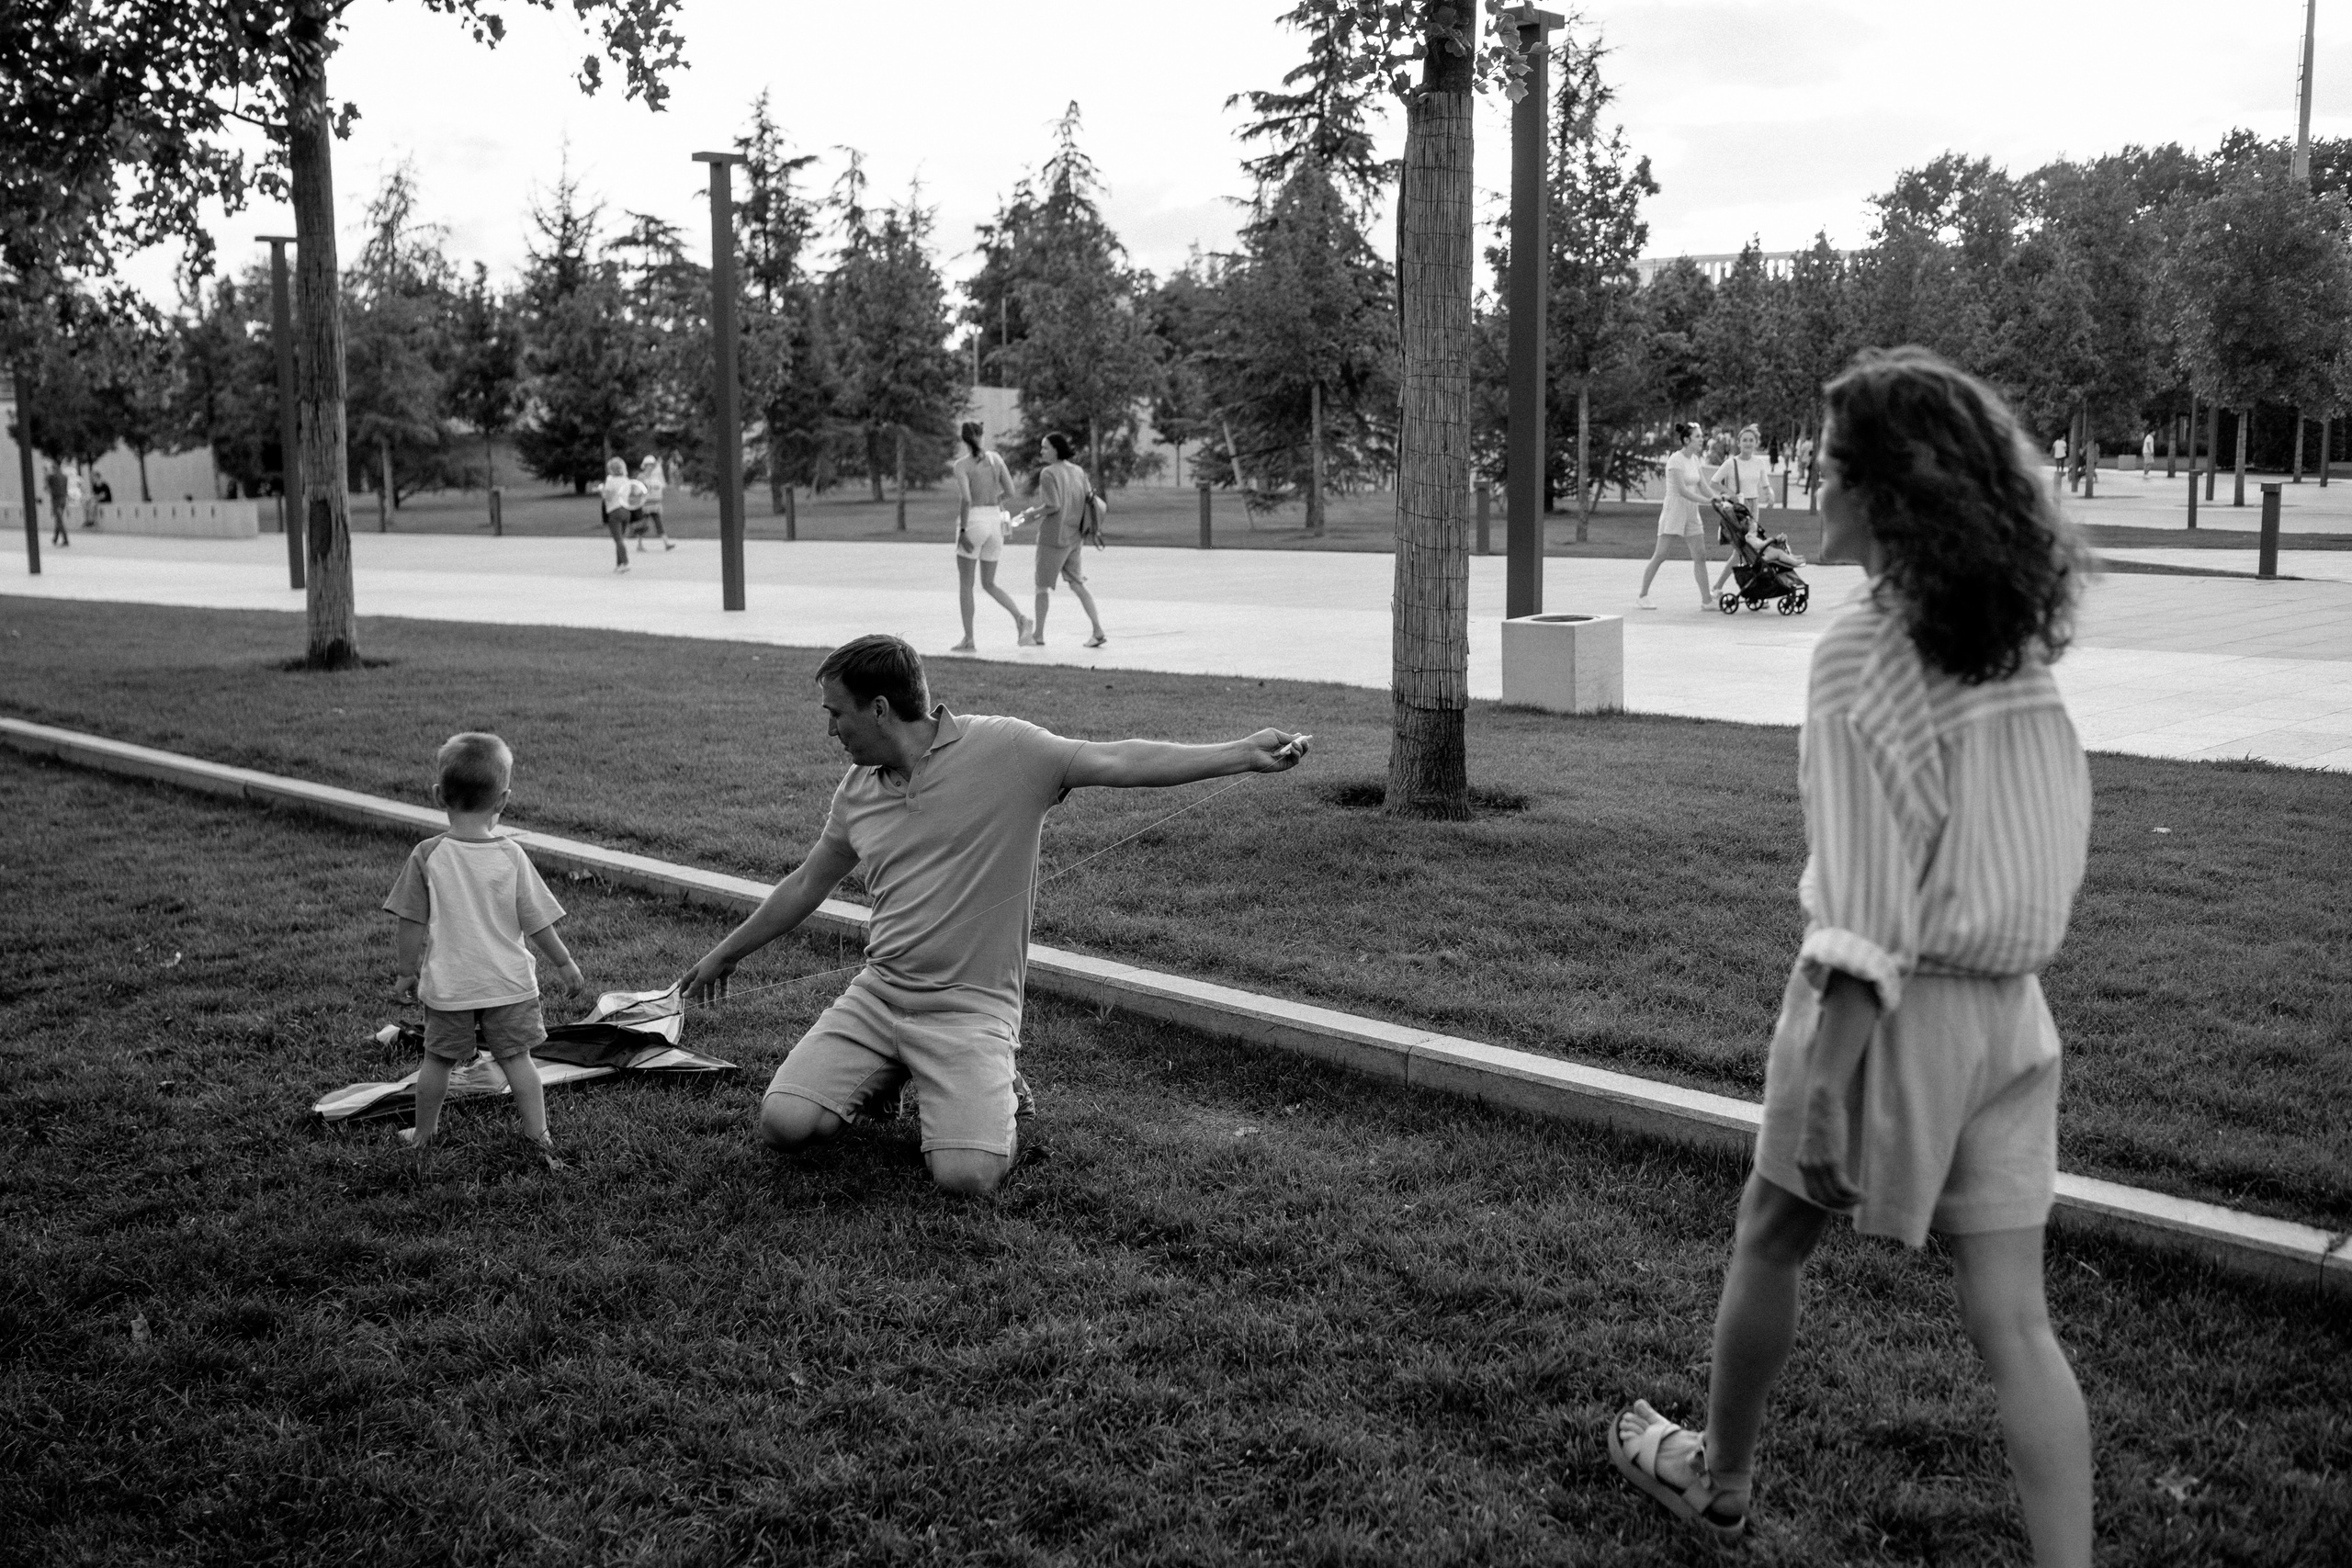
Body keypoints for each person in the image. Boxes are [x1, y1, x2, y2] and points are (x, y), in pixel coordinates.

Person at [1609, 347, 2094, 1567]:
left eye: (1827, 470)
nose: (1805, 491)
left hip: (1889, 1007)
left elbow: (1868, 907)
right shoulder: (2010, 648)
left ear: (1886, 493)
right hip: (2014, 1018)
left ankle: (1718, 1479)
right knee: (2017, 1323)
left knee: (1770, 1232)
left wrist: (1828, 1074)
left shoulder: (1862, 652)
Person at [676, 634, 1311, 1196]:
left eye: (835, 714)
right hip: (881, 993)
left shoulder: (1007, 748)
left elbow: (1119, 760)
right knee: (785, 1123)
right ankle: (892, 1076)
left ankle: (994, 1085)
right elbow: (808, 881)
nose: (831, 730)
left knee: (966, 1176)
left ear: (878, 709)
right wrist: (726, 951)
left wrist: (1239, 752)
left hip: (971, 1007)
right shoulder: (857, 790)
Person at [383, 732, 588, 1167]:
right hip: (508, 984)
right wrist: (565, 963)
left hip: (451, 986)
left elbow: (411, 920)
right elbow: (537, 922)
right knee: (519, 1061)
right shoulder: (512, 855)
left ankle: (424, 1134)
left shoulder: (427, 855)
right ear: (504, 800)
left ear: (439, 795)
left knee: (436, 1061)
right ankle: (539, 1136)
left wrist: (405, 970)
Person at [948, 421, 1031, 652]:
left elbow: (966, 499)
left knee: (966, 584)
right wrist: (996, 500)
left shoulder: (962, 465)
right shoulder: (995, 459)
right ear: (982, 436)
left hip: (973, 520)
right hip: (995, 520)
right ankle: (1021, 618)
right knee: (989, 582)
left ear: (964, 439)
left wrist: (963, 530)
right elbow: (1011, 491)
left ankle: (969, 638)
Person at [1022, 432, 1107, 649]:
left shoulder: (1048, 473)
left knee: (1041, 587)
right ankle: (1097, 630)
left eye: (1045, 447)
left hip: (1053, 538)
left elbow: (1053, 505)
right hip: (1075, 537)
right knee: (1078, 584)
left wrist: (1031, 514)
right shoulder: (1078, 471)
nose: (1042, 451)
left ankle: (1038, 635)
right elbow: (1090, 501)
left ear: (1056, 449)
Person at [1636, 423, 1718, 610]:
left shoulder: (1695, 460)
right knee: (1661, 554)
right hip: (1674, 511)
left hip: (1692, 512)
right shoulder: (1675, 460)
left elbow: (1703, 486)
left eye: (1701, 436)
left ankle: (1706, 600)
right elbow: (1682, 491)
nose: (1701, 439)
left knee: (1700, 555)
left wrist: (1718, 498)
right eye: (1698, 437)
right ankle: (1643, 595)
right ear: (1687, 440)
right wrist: (1707, 502)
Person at [1709, 425, 1776, 595]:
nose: (1748, 443)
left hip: (1753, 508)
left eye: (1751, 440)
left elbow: (1765, 485)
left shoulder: (1759, 463)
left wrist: (1770, 495)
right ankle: (1720, 587)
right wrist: (1731, 494)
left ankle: (1753, 590)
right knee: (1743, 550)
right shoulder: (1731, 463)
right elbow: (1714, 482)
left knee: (1750, 551)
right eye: (1744, 440)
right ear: (1738, 443)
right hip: (1739, 511)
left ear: (1756, 443)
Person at [631, 456, 674, 550]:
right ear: (645, 465)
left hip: (655, 505)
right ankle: (639, 545)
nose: (651, 467)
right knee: (642, 525)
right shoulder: (641, 477)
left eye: (652, 465)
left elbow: (658, 490)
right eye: (649, 465)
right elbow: (637, 491)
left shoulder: (655, 477)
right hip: (645, 505)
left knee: (659, 523)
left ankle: (666, 543)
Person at [597, 457, 632, 573]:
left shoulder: (610, 480)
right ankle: (619, 564)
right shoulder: (626, 479)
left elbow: (607, 496)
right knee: (621, 538)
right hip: (626, 511)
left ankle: (626, 563)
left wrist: (601, 489)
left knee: (618, 539)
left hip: (614, 511)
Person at [44, 465, 69, 547]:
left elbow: (46, 487)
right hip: (63, 500)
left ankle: (65, 539)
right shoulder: (65, 477)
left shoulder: (51, 477)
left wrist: (45, 473)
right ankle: (55, 538)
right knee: (59, 519)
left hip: (56, 500)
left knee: (59, 520)